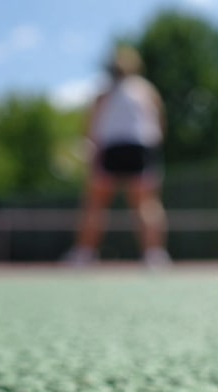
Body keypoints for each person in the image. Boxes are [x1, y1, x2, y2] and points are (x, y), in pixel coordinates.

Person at [63, 46, 171, 268]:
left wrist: (90, 150)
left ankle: (84, 254)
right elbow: (160, 124)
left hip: (115, 148)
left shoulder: (105, 92)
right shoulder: (146, 90)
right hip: (138, 148)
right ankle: (155, 256)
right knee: (145, 204)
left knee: (97, 204)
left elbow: (90, 126)